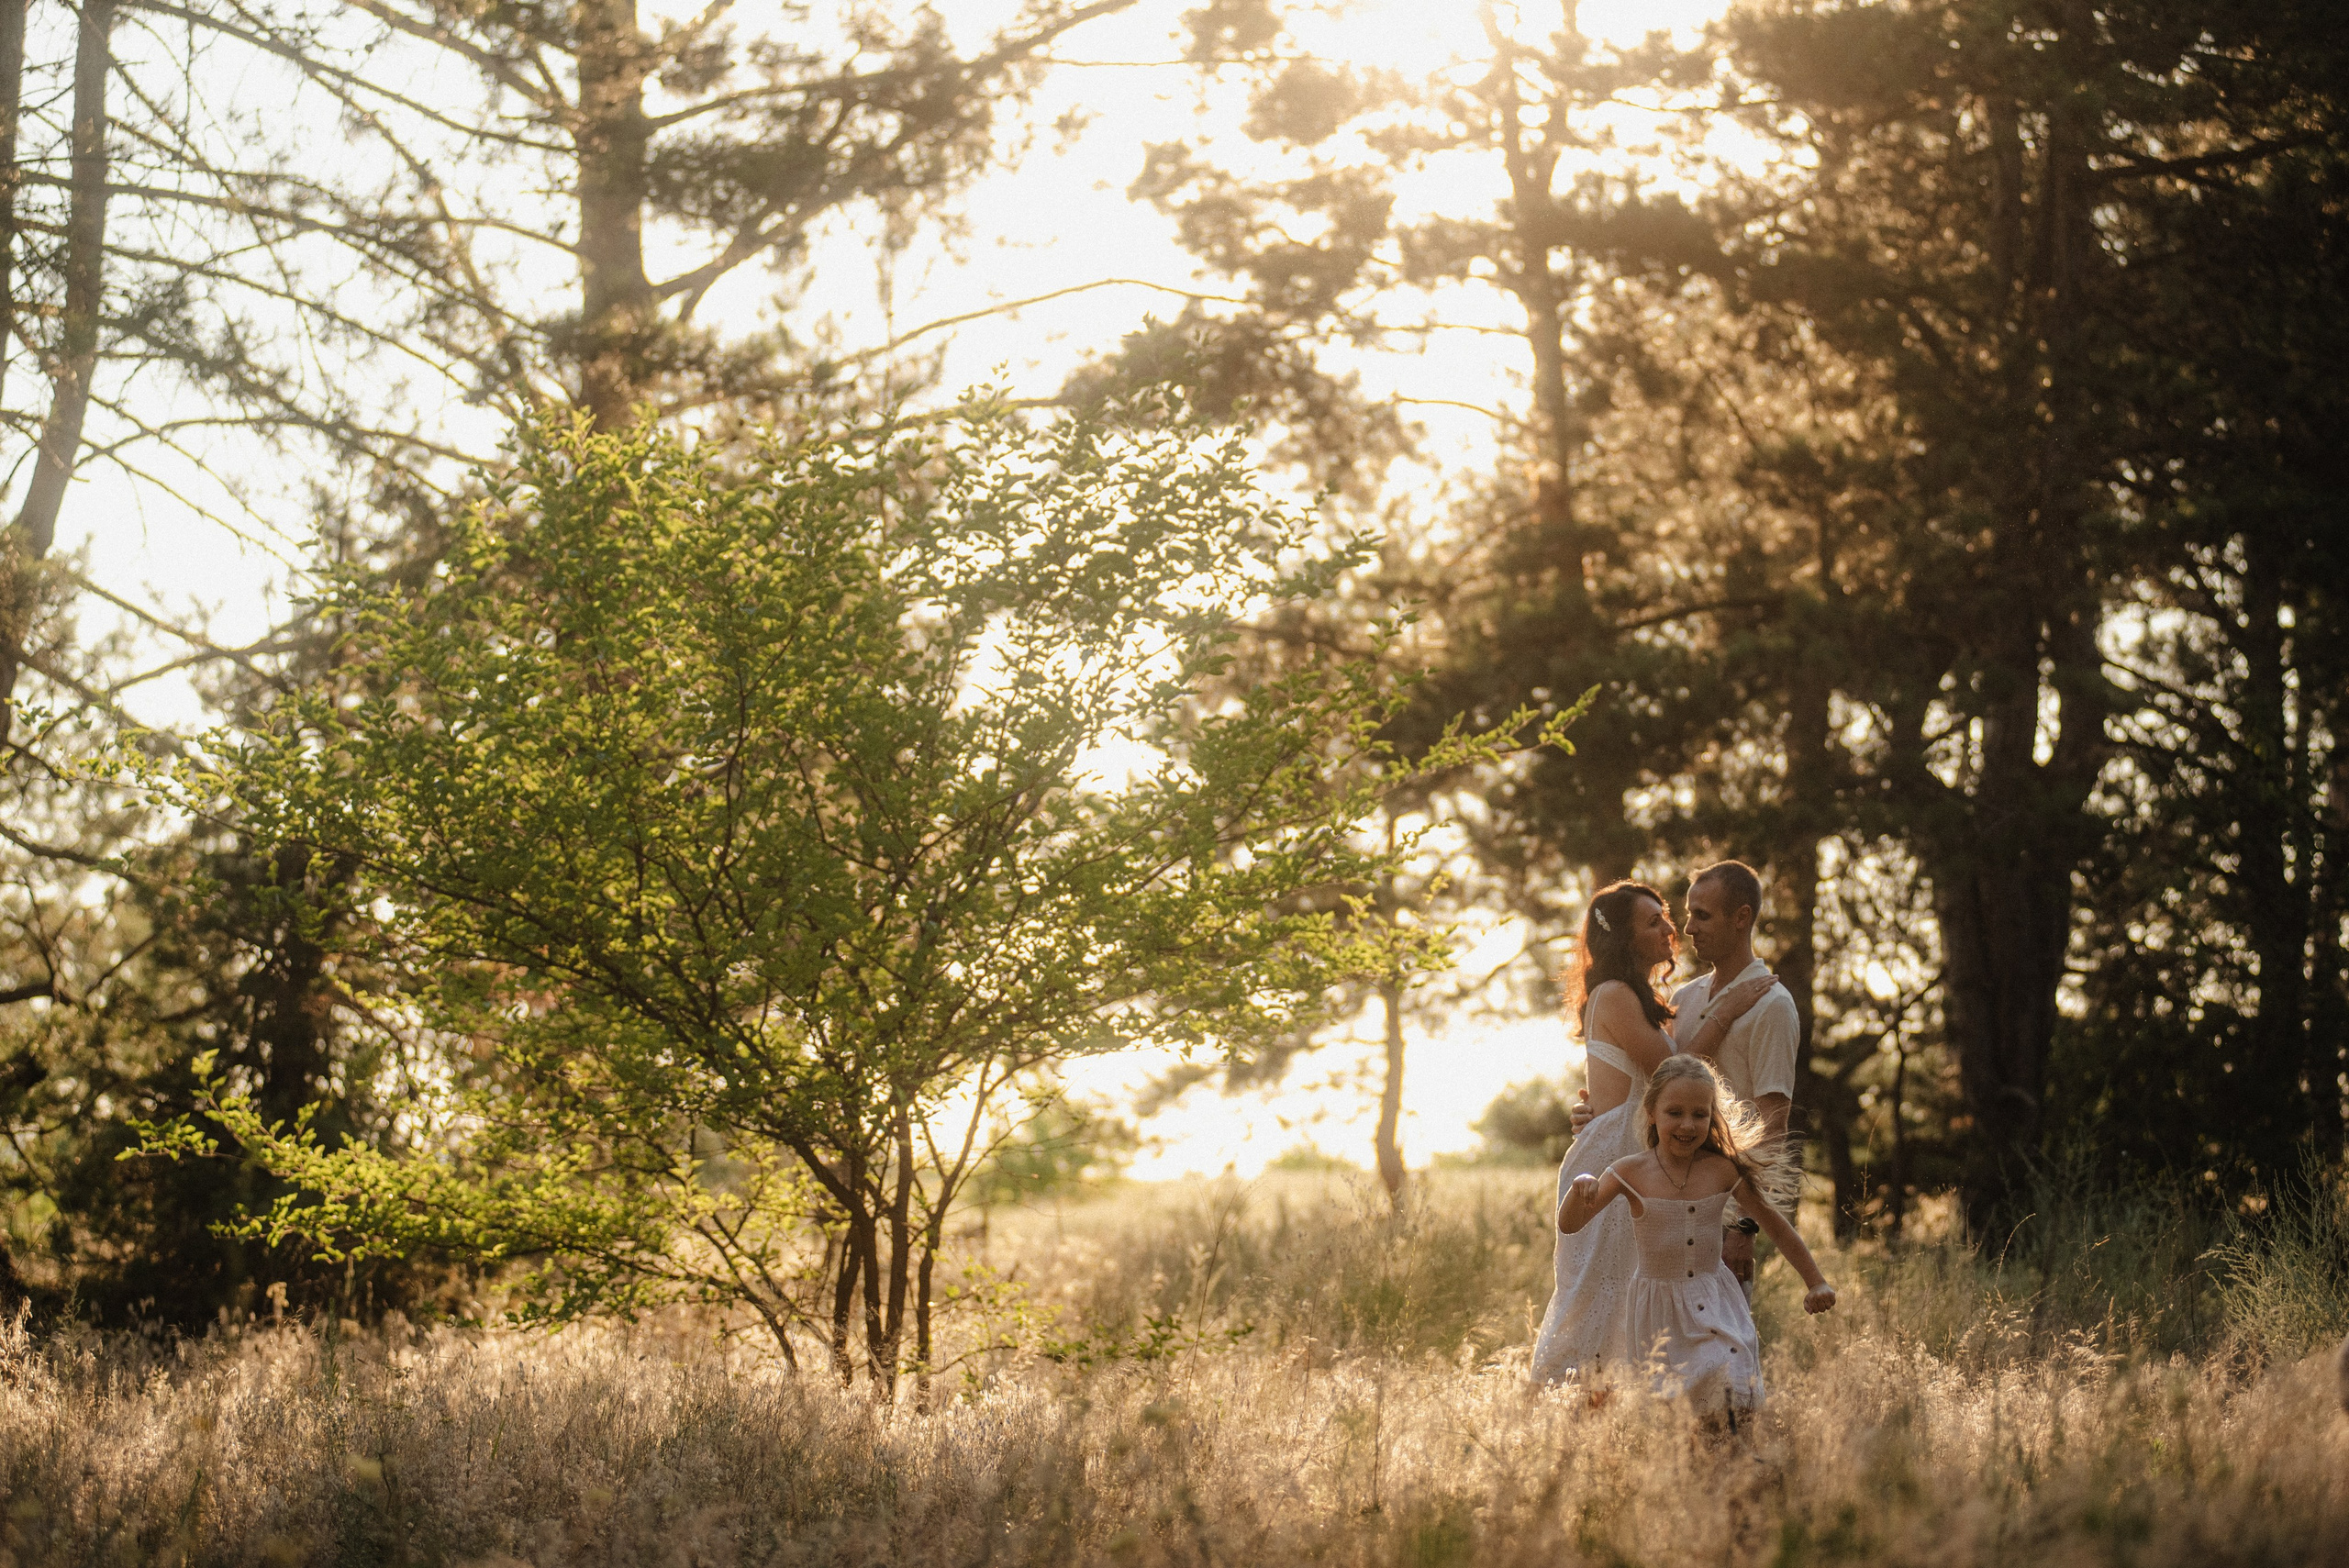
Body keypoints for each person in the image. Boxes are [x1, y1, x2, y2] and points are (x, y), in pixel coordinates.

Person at [1529, 881, 1780, 1389]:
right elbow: (1674, 1070)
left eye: (1666, 915)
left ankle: (1645, 1420)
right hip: (1615, 1155)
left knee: (1637, 1295)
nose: (1671, 927)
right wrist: (1728, 1011)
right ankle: (1567, 1414)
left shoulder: (1641, 997)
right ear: (1624, 938)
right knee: (1599, 1296)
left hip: (1633, 1146)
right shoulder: (1615, 994)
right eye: (1654, 921)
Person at [1557, 1055, 1835, 1418]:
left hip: (1714, 1297)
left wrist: (1815, 1282)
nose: (1687, 1125)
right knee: (1678, 1414)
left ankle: (1741, 1458)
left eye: (1700, 1114)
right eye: (1675, 1112)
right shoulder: (1630, 1172)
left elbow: (1776, 1226)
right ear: (1652, 1111)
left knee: (1732, 1377)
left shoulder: (1720, 1170)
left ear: (1711, 1116)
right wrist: (1579, 1191)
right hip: (1659, 1309)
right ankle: (1696, 1465)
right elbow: (1570, 1224)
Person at [1569, 861, 1798, 1296]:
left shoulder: (1772, 1005)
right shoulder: (1684, 998)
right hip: (1658, 1201)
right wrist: (1599, 1116)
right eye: (1687, 914)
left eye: (1703, 916)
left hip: (1721, 1208)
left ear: (1742, 918)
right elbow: (1655, 1086)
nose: (1686, 929)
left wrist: (1744, 1225)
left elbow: (1773, 1123)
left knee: (1719, 1344)